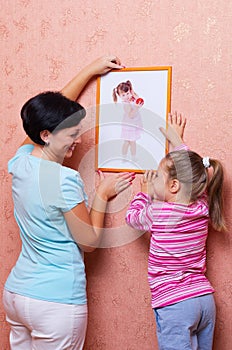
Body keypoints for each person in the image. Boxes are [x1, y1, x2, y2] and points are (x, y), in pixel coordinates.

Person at [3, 55, 135, 350]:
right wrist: (101, 194)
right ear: (46, 135)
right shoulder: (64, 179)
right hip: (56, 303)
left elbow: (43, 117)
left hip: (17, 295)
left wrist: (88, 71)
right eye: (72, 133)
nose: (78, 139)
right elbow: (88, 241)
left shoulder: (20, 161)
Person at [125, 112, 226, 350]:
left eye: (158, 177)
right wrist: (177, 142)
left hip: (175, 303)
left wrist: (144, 193)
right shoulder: (202, 207)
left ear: (173, 185)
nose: (154, 179)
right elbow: (193, 181)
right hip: (204, 300)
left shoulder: (157, 213)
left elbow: (131, 218)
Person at [112, 80, 144, 162]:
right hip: (128, 125)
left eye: (127, 93)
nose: (126, 96)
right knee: (127, 142)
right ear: (119, 96)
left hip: (134, 124)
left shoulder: (132, 98)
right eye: (123, 95)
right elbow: (130, 115)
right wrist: (137, 107)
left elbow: (139, 99)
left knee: (133, 142)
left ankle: (133, 157)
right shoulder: (125, 104)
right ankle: (124, 157)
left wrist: (132, 93)